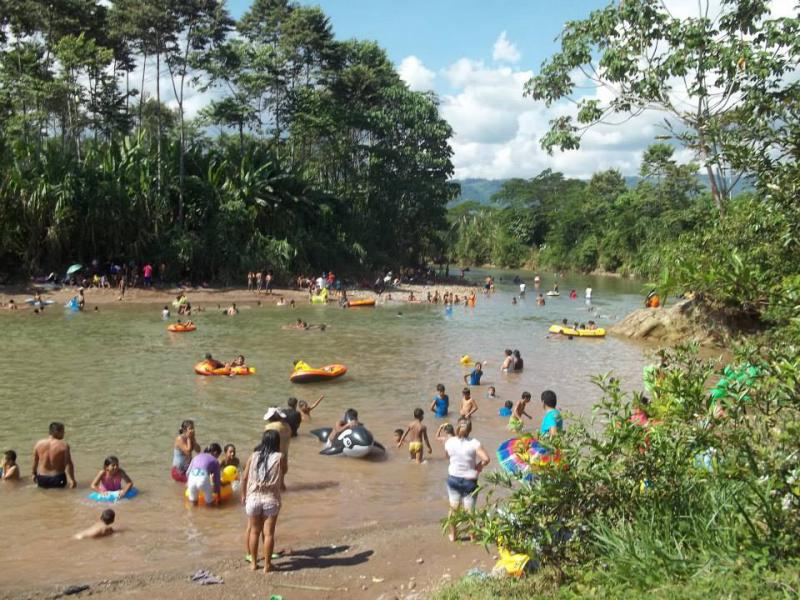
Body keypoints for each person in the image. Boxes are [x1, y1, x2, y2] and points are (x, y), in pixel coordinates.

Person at [241, 430, 284, 573]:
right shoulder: (279, 458)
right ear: (277, 443)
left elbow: (244, 477)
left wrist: (243, 494)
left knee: (254, 532)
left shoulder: (253, 456)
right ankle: (267, 565)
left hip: (253, 498)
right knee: (269, 533)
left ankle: (253, 564)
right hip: (271, 498)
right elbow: (282, 475)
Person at [444, 418, 490, 542]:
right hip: (470, 480)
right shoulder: (474, 443)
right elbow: (486, 459)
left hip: (453, 478)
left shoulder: (449, 442)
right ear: (470, 429)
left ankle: (453, 536)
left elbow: (447, 456)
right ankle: (472, 536)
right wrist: (479, 467)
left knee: (454, 508)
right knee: (470, 511)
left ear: (457, 427)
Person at [32, 422, 75, 489]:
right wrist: (72, 479)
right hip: (57, 478)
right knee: (60, 498)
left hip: (42, 478)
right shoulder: (64, 445)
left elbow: (35, 461)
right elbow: (68, 464)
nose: (64, 433)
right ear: (57, 432)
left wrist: (34, 474)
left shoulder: (38, 444)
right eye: (63, 431)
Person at [263, 408, 291, 491]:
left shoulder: (269, 427)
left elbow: (266, 442)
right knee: (281, 482)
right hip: (284, 454)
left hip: (273, 455)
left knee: (271, 482)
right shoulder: (287, 426)